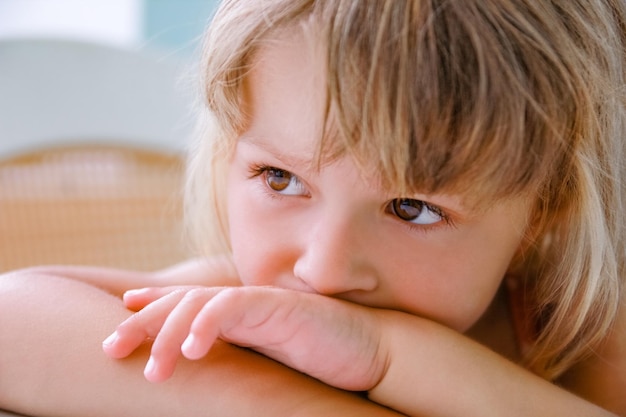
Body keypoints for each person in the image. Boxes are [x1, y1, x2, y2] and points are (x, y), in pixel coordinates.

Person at [1, 0, 624, 416]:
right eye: (279, 178)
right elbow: (12, 317)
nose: (323, 270)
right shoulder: (239, 316)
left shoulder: (582, 337)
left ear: (545, 212)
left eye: (412, 209)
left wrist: (386, 355)